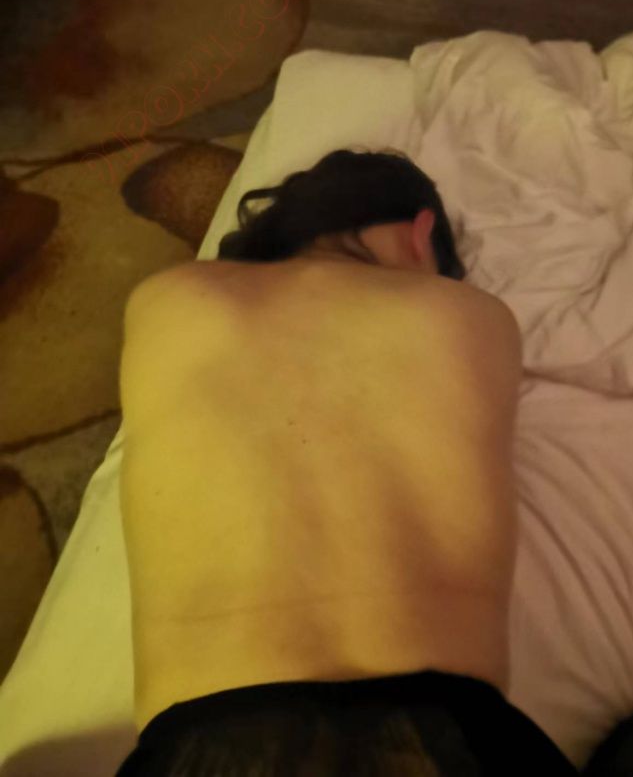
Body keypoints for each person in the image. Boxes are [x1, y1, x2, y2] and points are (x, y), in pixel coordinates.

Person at [115, 149, 578, 775]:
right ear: (421, 235)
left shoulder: (166, 298)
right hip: (448, 737)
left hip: (208, 742)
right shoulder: (471, 313)